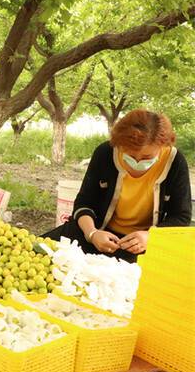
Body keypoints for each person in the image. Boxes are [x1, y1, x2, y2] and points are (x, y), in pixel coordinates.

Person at [43, 109, 191, 263]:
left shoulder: (174, 162)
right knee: (39, 250)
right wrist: (92, 234)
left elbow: (181, 216)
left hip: (142, 245)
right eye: (131, 156)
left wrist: (150, 236)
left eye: (147, 157)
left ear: (163, 147)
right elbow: (84, 203)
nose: (138, 162)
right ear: (119, 145)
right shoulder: (105, 152)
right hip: (99, 233)